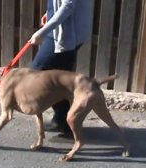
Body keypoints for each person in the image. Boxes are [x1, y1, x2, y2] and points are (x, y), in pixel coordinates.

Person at [28, 0, 94, 133]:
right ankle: (64, 119)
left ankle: (63, 119)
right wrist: (50, 11)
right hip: (69, 30)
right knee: (61, 75)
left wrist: (42, 32)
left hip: (67, 32)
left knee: (38, 71)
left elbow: (68, 5)